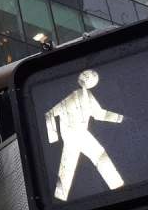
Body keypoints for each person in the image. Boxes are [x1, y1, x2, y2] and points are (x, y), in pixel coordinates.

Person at [44, 69, 124, 201]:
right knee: (69, 166)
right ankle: (59, 199)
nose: (87, 78)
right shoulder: (67, 95)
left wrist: (120, 118)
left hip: (82, 133)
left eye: (91, 77)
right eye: (86, 75)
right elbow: (49, 114)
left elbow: (99, 114)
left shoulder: (88, 96)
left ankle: (117, 187)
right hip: (71, 135)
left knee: (96, 157)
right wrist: (53, 138)